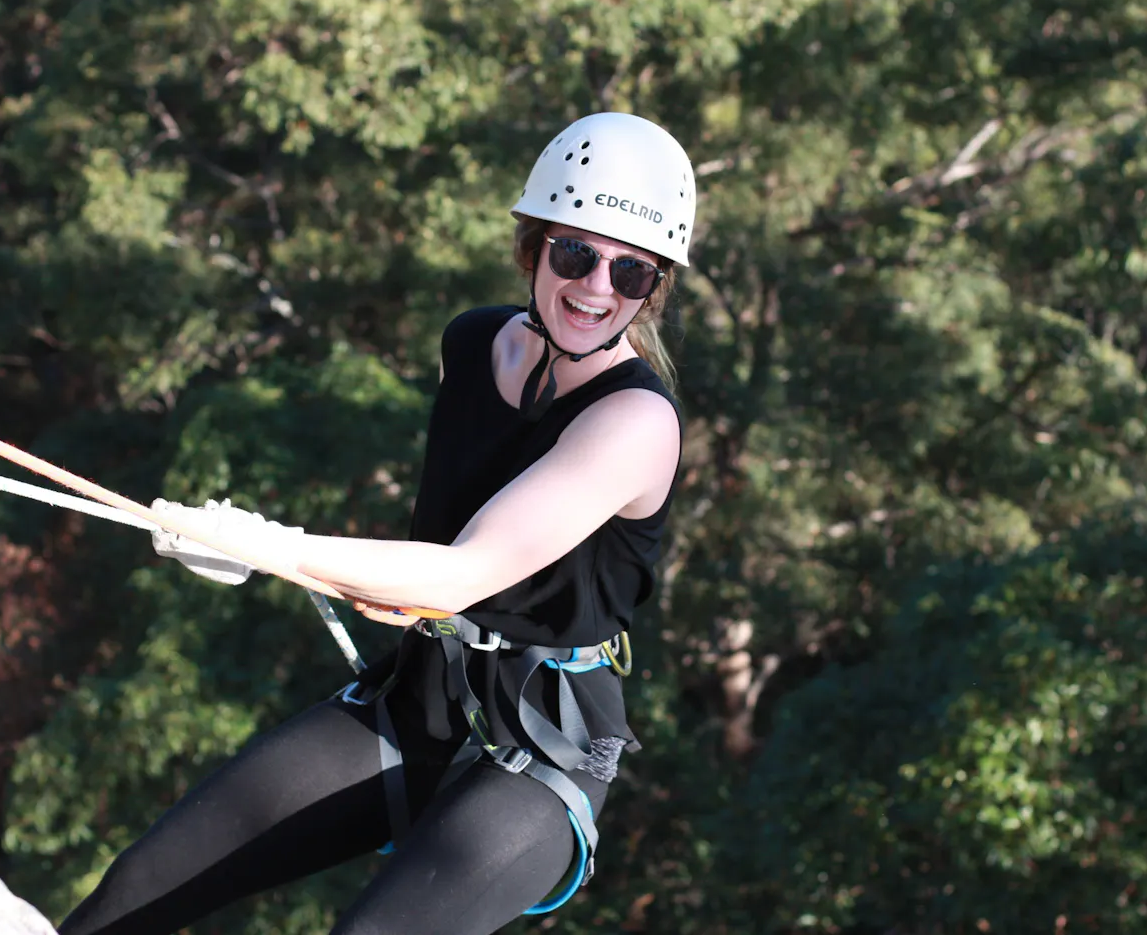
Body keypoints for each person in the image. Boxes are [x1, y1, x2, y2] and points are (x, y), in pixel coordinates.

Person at [56, 111, 696, 935]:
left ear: (654, 288)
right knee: (139, 885)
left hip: (539, 756)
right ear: (534, 245)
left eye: (632, 273)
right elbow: (438, 561)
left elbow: (464, 570)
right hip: (415, 703)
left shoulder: (636, 423)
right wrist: (308, 563)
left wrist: (267, 545)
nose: (598, 286)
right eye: (577, 252)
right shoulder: (471, 346)